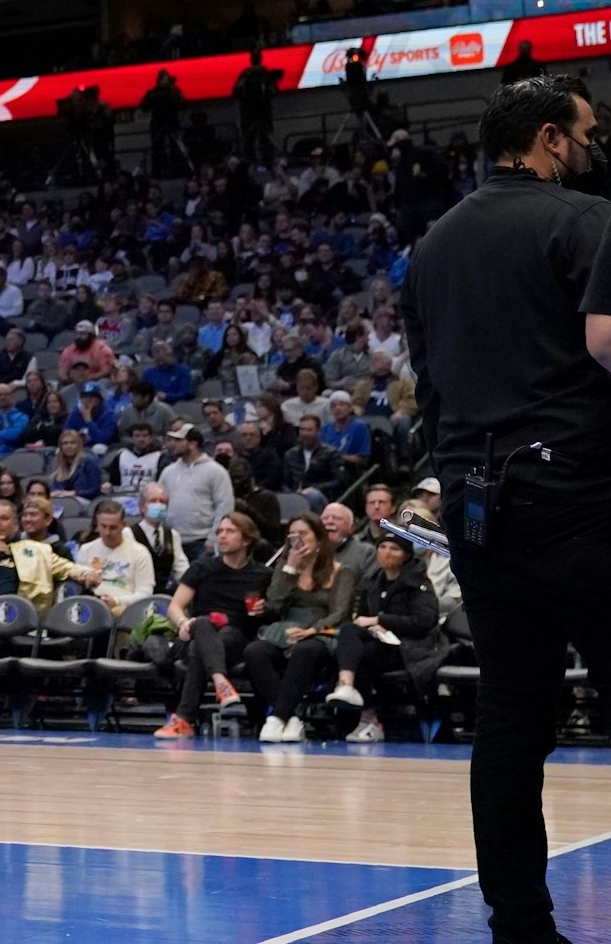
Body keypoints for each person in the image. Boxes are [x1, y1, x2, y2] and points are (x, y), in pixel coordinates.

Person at [407, 74, 611, 944]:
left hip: (479, 512)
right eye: (588, 134)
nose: (595, 149)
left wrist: (456, 483)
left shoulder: (431, 246)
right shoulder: (587, 218)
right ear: (549, 138)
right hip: (582, 501)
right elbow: (607, 342)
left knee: (511, 725)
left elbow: (429, 389)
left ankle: (520, 929)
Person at [243, 514, 357, 743]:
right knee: (254, 651)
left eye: (303, 534)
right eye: (292, 535)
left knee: (306, 650)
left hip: (322, 632)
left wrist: (313, 630)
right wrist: (290, 570)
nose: (297, 540)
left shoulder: (341, 571)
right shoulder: (285, 567)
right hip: (285, 630)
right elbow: (275, 604)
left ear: (319, 538)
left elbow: (340, 613)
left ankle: (277, 718)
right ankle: (291, 717)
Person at [329, 531, 449, 745]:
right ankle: (354, 698)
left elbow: (423, 622)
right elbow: (361, 617)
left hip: (412, 648)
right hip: (380, 642)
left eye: (394, 549)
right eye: (382, 547)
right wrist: (374, 625)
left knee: (356, 654)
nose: (387, 553)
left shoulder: (418, 582)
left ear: (406, 555)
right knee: (351, 639)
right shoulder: (372, 581)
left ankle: (363, 710)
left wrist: (381, 620)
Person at [153, 512, 266, 739]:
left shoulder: (262, 574)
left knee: (209, 644)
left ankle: (184, 720)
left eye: (229, 531)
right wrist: (183, 622)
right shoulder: (202, 568)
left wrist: (265, 608)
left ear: (246, 539)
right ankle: (220, 682)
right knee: (202, 624)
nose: (222, 536)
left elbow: (273, 611)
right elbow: (175, 606)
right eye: (219, 531)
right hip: (197, 633)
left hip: (236, 639)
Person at [0, 500, 99, 613]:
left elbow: (68, 568)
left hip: (11, 615)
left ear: (16, 524)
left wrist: (86, 573)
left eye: (4, 518)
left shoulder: (37, 550)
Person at [158, 422, 234, 554]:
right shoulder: (168, 472)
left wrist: (214, 537)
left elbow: (225, 506)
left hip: (202, 541)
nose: (173, 444)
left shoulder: (216, 471)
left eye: (178, 440)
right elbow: (159, 502)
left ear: (192, 444)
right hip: (172, 539)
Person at [70, 499, 154, 613]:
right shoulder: (86, 549)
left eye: (113, 527)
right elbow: (78, 586)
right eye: (103, 526)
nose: (107, 532)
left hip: (125, 607)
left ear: (123, 525)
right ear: (97, 524)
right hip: (92, 605)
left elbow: (145, 593)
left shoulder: (140, 552)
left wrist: (117, 601)